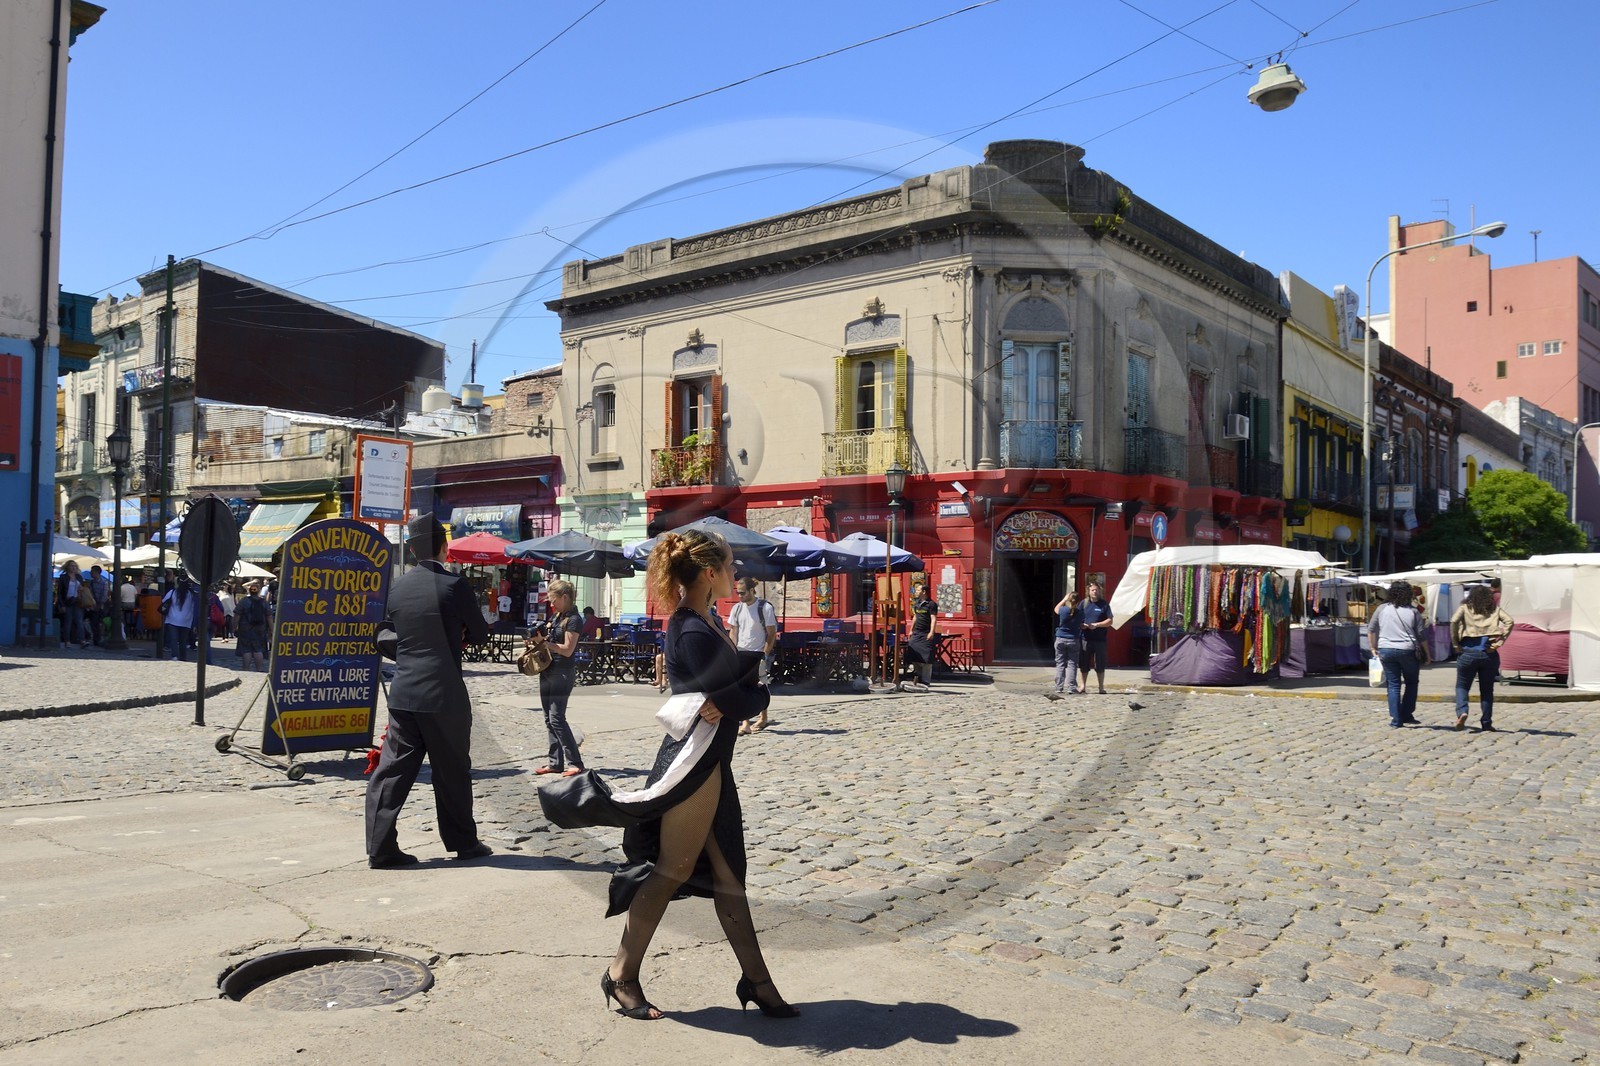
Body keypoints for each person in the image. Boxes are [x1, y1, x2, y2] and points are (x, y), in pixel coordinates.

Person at [539, 529, 797, 1022]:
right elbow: (734, 695)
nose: (735, 573)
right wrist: (749, 694)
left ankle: (758, 981)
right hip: (693, 765)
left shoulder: (704, 620)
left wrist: (743, 689)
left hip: (710, 762)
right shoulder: (694, 628)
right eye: (729, 565)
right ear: (708, 573)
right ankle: (621, 973)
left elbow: (736, 688)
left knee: (727, 879)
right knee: (674, 869)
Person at [364, 513, 494, 868]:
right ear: (444, 546)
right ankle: (463, 843)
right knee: (451, 771)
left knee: (392, 771)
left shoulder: (398, 588)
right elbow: (481, 634)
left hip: (404, 691)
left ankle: (380, 847)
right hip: (443, 692)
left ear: (410, 548)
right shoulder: (454, 585)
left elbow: (387, 636)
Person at [532, 580, 585, 777]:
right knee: (548, 718)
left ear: (565, 597)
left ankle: (575, 763)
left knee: (557, 718)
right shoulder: (557, 616)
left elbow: (567, 650)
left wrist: (544, 642)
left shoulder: (574, 619)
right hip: (547, 669)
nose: (552, 605)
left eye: (554, 600)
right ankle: (555, 762)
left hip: (562, 672)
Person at [1450, 584, 1514, 733]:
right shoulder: (1494, 610)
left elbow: (1453, 621)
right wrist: (1499, 642)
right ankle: (1486, 722)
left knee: (1462, 686)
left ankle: (1462, 711)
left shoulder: (1465, 608)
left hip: (1467, 652)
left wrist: (1455, 644)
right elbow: (1509, 621)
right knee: (1487, 691)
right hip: (1489, 653)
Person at [1369, 578, 1428, 728]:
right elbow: (1421, 635)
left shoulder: (1381, 609)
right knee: (1411, 682)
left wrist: (1373, 647)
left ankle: (1396, 719)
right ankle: (1407, 714)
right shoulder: (1413, 611)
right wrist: (1428, 654)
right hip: (1408, 649)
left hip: (1386, 649)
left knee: (1393, 685)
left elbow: (1371, 629)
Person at [729, 577, 778, 733]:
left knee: (760, 685)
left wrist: (765, 654)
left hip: (758, 653)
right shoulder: (736, 609)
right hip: (741, 652)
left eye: (743, 593)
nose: (740, 596)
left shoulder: (765, 608)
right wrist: (732, 650)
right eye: (738, 593)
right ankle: (746, 723)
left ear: (751, 590)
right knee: (743, 687)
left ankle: (763, 717)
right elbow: (733, 631)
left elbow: (771, 633)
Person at [1079, 580, 1113, 694]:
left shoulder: (1104, 604)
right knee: (1084, 663)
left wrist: (1097, 625)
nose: (1094, 592)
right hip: (1085, 638)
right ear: (1088, 591)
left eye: (1096, 590)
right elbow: (1076, 618)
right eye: (1092, 590)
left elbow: (1110, 621)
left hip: (1099, 640)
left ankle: (1101, 687)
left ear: (1099, 591)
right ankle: (1083, 686)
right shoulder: (1083, 603)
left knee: (1100, 664)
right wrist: (1081, 625)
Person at [903, 580, 938, 692]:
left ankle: (926, 680)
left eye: (918, 590)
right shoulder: (917, 603)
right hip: (917, 633)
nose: (915, 592)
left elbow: (933, 618)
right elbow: (915, 617)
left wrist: (931, 632)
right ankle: (917, 676)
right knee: (914, 654)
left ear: (924, 591)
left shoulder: (931, 604)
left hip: (925, 633)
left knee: (926, 657)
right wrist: (911, 630)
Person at [1052, 589, 1084, 694]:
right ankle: (1071, 687)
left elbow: (1056, 609)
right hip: (1073, 639)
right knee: (1072, 663)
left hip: (1061, 638)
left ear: (1069, 600)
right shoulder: (1080, 613)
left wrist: (1064, 599)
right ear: (1078, 601)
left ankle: (1059, 687)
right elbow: (1081, 624)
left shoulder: (1063, 610)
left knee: (1060, 663)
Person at [234, 582, 271, 671]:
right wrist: (272, 630)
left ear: (249, 591)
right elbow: (269, 617)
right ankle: (259, 669)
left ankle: (246, 669)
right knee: (258, 649)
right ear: (258, 592)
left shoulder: (243, 601)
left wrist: (234, 626)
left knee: (246, 650)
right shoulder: (264, 602)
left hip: (245, 629)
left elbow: (237, 615)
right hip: (260, 629)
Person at [160, 578, 198, 662]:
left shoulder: (173, 592)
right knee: (183, 640)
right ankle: (183, 657)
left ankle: (174, 656)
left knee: (173, 639)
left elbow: (163, 601)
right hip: (186, 621)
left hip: (172, 619)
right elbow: (194, 607)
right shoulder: (191, 594)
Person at [56, 561, 87, 648]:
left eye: (75, 566)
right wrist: (61, 605)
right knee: (68, 622)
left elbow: (82, 588)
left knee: (79, 621)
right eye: (71, 566)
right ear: (67, 567)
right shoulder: (63, 577)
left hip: (77, 601)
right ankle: (67, 641)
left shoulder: (79, 577)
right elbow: (60, 592)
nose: (73, 568)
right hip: (68, 601)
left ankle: (82, 640)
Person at [87, 565, 110, 647]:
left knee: (100, 623)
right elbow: (89, 593)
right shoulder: (91, 582)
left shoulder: (104, 582)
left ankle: (99, 638)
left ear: (97, 573)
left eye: (92, 572)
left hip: (101, 606)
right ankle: (96, 639)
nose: (91, 573)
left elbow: (104, 595)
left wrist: (100, 604)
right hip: (93, 605)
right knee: (93, 623)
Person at [119, 572, 139, 638]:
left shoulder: (121, 587)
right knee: (131, 617)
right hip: (132, 604)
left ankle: (126, 630)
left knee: (124, 617)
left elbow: (120, 597)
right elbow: (136, 595)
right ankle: (131, 629)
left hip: (124, 604)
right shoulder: (132, 587)